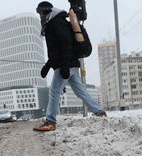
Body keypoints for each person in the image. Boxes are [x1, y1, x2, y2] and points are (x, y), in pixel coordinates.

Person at [34, 1, 107, 132]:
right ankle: (100, 112)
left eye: (40, 13)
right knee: (81, 92)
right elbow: (56, 50)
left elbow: (66, 44)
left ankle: (50, 121)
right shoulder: (54, 22)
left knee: (54, 91)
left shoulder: (56, 23)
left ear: (45, 11)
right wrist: (48, 65)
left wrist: (64, 66)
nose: (40, 16)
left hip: (66, 64)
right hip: (70, 64)